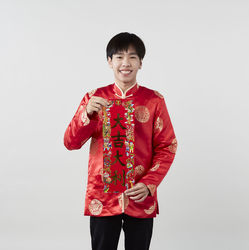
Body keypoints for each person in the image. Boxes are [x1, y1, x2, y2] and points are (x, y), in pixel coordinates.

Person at [63, 32, 178, 250]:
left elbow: (167, 146)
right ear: (109, 61)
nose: (126, 63)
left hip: (140, 194)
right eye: (119, 57)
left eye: (133, 57)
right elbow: (70, 142)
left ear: (141, 63)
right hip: (103, 196)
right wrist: (85, 115)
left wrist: (149, 183)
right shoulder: (94, 97)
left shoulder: (154, 100)